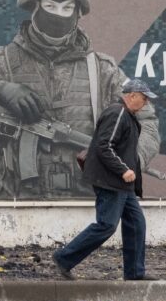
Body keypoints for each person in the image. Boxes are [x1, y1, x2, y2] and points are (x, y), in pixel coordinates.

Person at [0, 0, 160, 199]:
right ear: (34, 6)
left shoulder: (102, 70)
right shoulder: (1, 64)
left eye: (67, 8)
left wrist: (129, 160)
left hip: (87, 204)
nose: (59, 15)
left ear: (78, 12)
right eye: (50, 6)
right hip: (12, 206)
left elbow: (146, 124)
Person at [52, 79, 158, 281]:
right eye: (144, 99)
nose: (145, 104)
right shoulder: (118, 113)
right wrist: (123, 170)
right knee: (106, 225)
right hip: (111, 181)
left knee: (137, 224)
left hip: (122, 185)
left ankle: (135, 274)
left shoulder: (126, 115)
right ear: (132, 95)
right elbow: (104, 146)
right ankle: (63, 258)